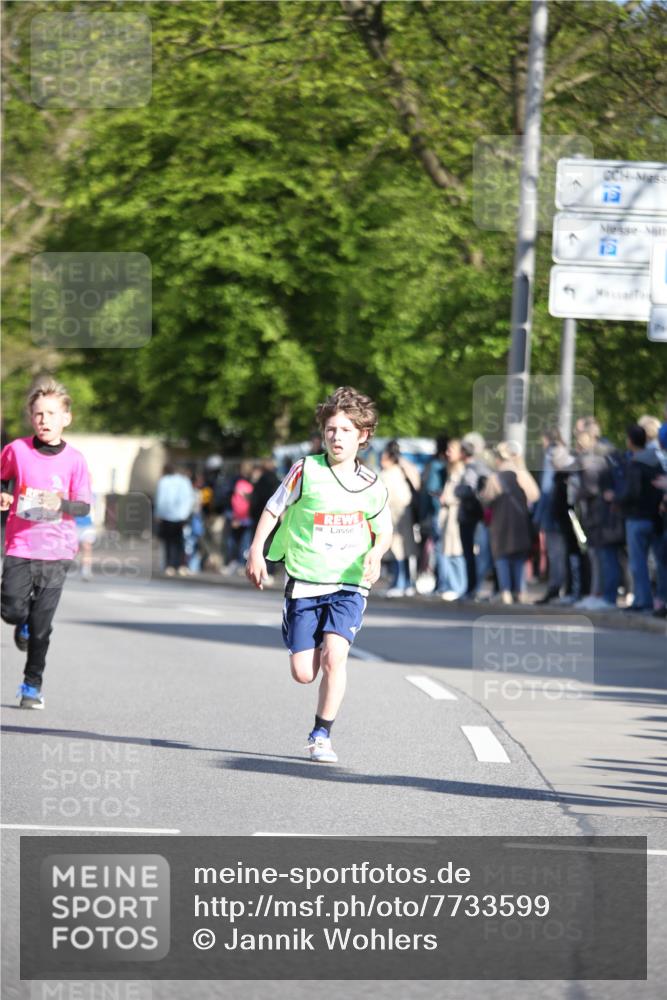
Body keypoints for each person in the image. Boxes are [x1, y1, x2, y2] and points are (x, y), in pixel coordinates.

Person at [245, 386, 392, 763]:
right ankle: (296, 634)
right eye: (331, 430)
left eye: (345, 430)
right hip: (305, 581)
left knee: (335, 657)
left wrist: (376, 553)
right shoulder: (306, 470)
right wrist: (256, 550)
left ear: (363, 435)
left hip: (349, 583)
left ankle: (321, 735)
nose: (336, 437)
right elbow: (273, 509)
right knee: (303, 673)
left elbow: (384, 530)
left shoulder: (371, 484)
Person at [1, 378, 92, 709]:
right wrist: (4, 494)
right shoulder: (16, 450)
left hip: (57, 550)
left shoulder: (75, 460)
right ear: (31, 417)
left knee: (41, 627)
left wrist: (60, 503)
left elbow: (84, 506)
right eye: (39, 414)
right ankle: (21, 620)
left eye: (52, 413)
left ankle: (31, 686)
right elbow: (2, 478)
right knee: (11, 609)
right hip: (20, 544)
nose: (44, 420)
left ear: (66, 417)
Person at [607, 424, 666, 612]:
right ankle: (661, 599)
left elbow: (632, 492)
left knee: (638, 562)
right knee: (660, 562)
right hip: (656, 518)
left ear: (630, 441)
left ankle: (642, 600)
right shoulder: (656, 461)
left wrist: (615, 498)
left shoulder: (635, 463)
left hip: (637, 517)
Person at [480, 441, 540, 604]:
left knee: (502, 557)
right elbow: (535, 495)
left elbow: (486, 499)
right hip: (520, 521)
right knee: (519, 557)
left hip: (501, 522)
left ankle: (505, 591)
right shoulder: (521, 474)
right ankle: (520, 591)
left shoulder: (495, 477)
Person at [379, 440, 420, 597]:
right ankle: (404, 582)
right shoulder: (399, 471)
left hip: (397, 514)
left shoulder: (393, 472)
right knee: (401, 550)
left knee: (398, 550)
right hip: (400, 513)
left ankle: (401, 582)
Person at [436, 439, 467, 600]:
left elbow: (460, 493)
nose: (448, 453)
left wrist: (446, 498)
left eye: (451, 450)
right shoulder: (452, 469)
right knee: (450, 551)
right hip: (450, 516)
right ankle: (452, 586)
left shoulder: (460, 470)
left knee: (455, 552)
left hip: (455, 516)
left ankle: (458, 587)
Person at [154, 463, 194, 576]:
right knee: (180, 541)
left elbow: (161, 499)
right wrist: (186, 514)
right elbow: (189, 498)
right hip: (181, 516)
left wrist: (158, 513)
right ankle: (181, 565)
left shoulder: (163, 481)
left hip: (167, 515)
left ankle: (170, 565)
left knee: (168, 542)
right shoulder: (184, 481)